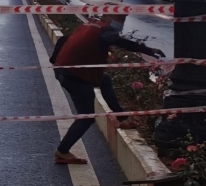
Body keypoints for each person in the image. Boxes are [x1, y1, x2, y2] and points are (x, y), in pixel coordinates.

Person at [51, 15, 165, 165]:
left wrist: (56, 61)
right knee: (87, 117)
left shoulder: (88, 27)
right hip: (75, 78)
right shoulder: (106, 31)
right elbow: (119, 41)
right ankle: (63, 151)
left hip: (66, 72)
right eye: (122, 19)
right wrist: (148, 50)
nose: (122, 23)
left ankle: (123, 118)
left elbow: (62, 42)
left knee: (105, 80)